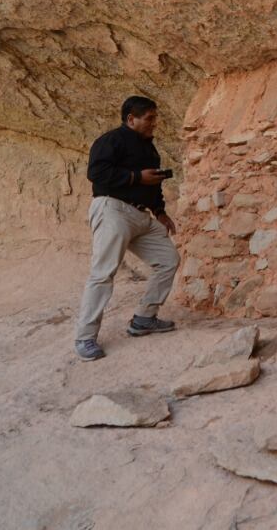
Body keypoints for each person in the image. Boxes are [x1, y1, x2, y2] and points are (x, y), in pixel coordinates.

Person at [73, 96, 180, 361]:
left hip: (140, 215)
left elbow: (153, 185)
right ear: (131, 119)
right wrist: (136, 177)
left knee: (168, 259)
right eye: (149, 118)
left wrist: (160, 212)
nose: (154, 123)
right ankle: (85, 337)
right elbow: (96, 173)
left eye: (155, 118)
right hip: (113, 209)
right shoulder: (111, 140)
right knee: (103, 272)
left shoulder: (149, 149)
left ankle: (144, 318)